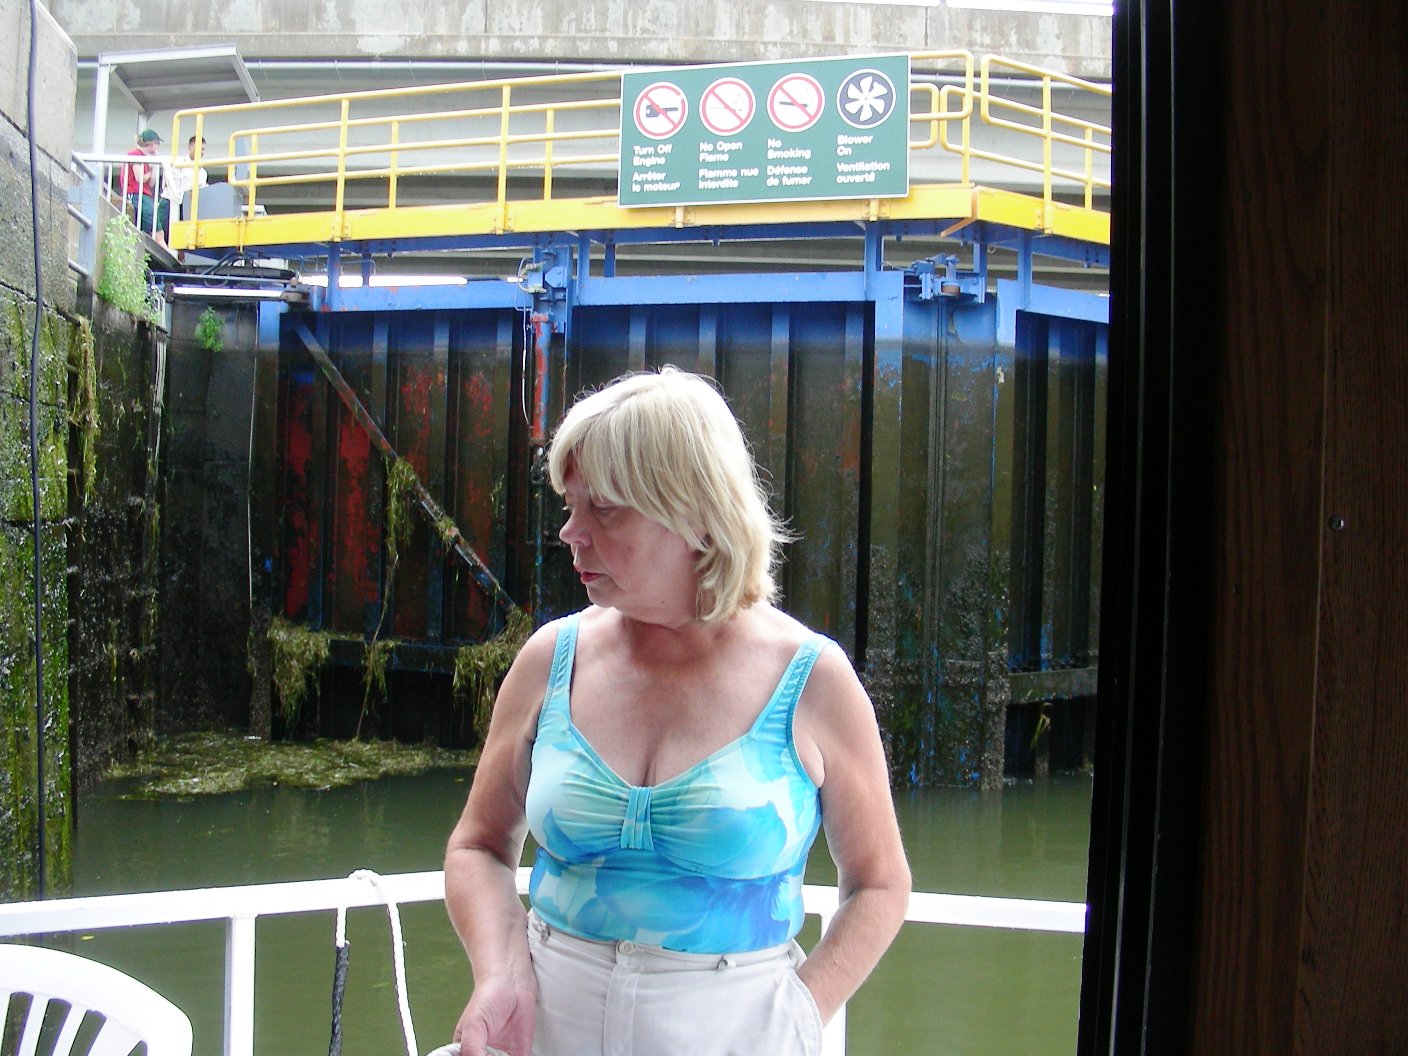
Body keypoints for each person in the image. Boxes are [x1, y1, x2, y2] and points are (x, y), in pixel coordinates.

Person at [444, 367, 911, 1056]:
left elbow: (880, 883)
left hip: (741, 1036)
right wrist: (501, 975)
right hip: (543, 1031)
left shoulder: (812, 681)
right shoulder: (551, 660)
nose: (571, 532)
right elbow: (478, 846)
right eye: (570, 505)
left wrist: (799, 1016)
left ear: (693, 512)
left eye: (604, 508)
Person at [121, 128, 169, 247]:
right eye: (157, 144)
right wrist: (150, 171)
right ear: (153, 144)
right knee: (157, 232)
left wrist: (154, 167)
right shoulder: (135, 154)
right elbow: (140, 178)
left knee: (155, 231)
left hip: (143, 196)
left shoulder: (144, 158)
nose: (157, 147)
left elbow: (151, 183)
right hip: (137, 195)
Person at [162, 135, 209, 240]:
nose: (201, 152)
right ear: (190, 147)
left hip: (189, 207)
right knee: (165, 233)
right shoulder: (178, 163)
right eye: (199, 148)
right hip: (171, 202)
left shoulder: (203, 172)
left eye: (203, 149)